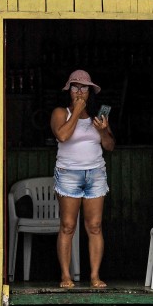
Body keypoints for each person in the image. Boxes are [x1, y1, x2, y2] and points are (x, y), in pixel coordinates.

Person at [50, 69, 114, 289]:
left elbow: (110, 146)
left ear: (90, 91)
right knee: (68, 226)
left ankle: (95, 277)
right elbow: (63, 136)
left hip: (95, 173)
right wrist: (76, 111)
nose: (79, 91)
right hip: (69, 174)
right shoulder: (61, 113)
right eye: (75, 87)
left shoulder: (99, 115)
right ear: (69, 90)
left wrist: (104, 131)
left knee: (95, 226)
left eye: (83, 87)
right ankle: (66, 276)